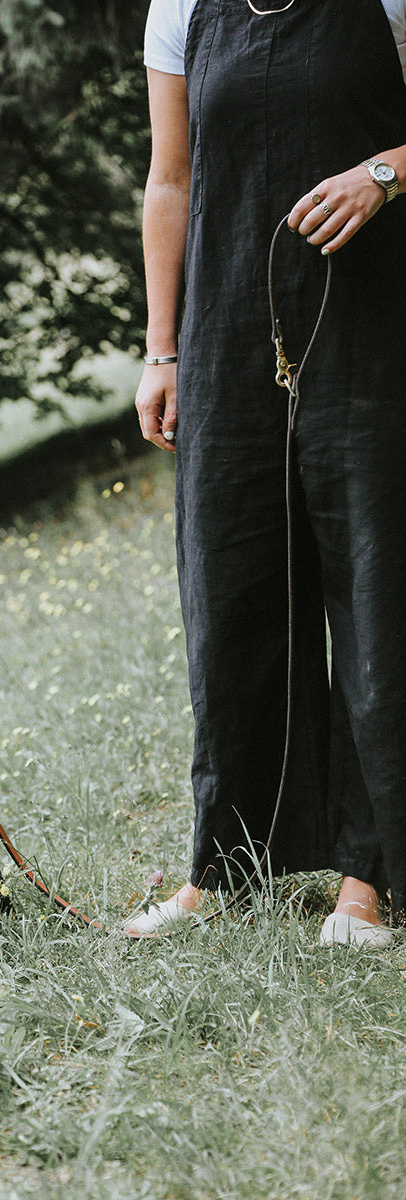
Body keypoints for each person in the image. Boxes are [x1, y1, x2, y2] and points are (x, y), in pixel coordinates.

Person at [127, 0, 406, 946]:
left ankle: (368, 880)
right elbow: (171, 178)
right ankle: (223, 868)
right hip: (227, 330)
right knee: (232, 592)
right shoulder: (181, 7)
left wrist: (385, 173)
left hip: (375, 328)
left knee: (374, 593)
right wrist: (162, 352)